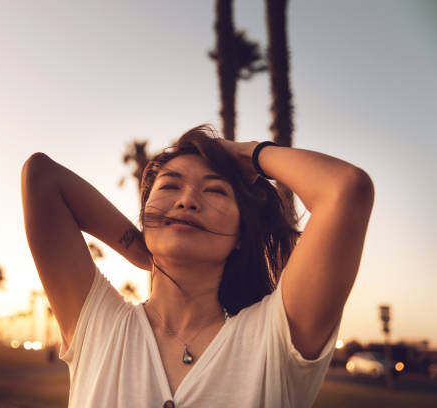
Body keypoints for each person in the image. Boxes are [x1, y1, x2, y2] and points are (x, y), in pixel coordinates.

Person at [20, 124, 374, 407]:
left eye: (215, 191)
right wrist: (143, 251)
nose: (187, 200)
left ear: (240, 234)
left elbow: (345, 188)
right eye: (170, 186)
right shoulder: (101, 326)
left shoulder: (275, 338)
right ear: (144, 215)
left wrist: (249, 153)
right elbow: (42, 177)